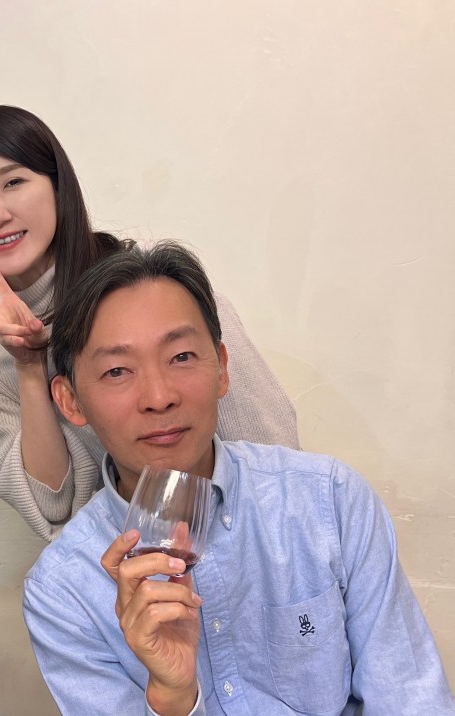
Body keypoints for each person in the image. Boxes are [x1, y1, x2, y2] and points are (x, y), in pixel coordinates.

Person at [22, 241, 454, 714]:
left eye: (181, 356)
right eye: (117, 370)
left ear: (222, 369)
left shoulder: (330, 502)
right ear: (70, 401)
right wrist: (171, 697)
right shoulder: (64, 590)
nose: (159, 397)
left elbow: (410, 697)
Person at [0, 105, 299, 541]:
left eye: (14, 182)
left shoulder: (154, 290)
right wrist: (29, 367)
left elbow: (271, 453)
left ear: (58, 188)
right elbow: (53, 508)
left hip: (241, 544)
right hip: (113, 566)